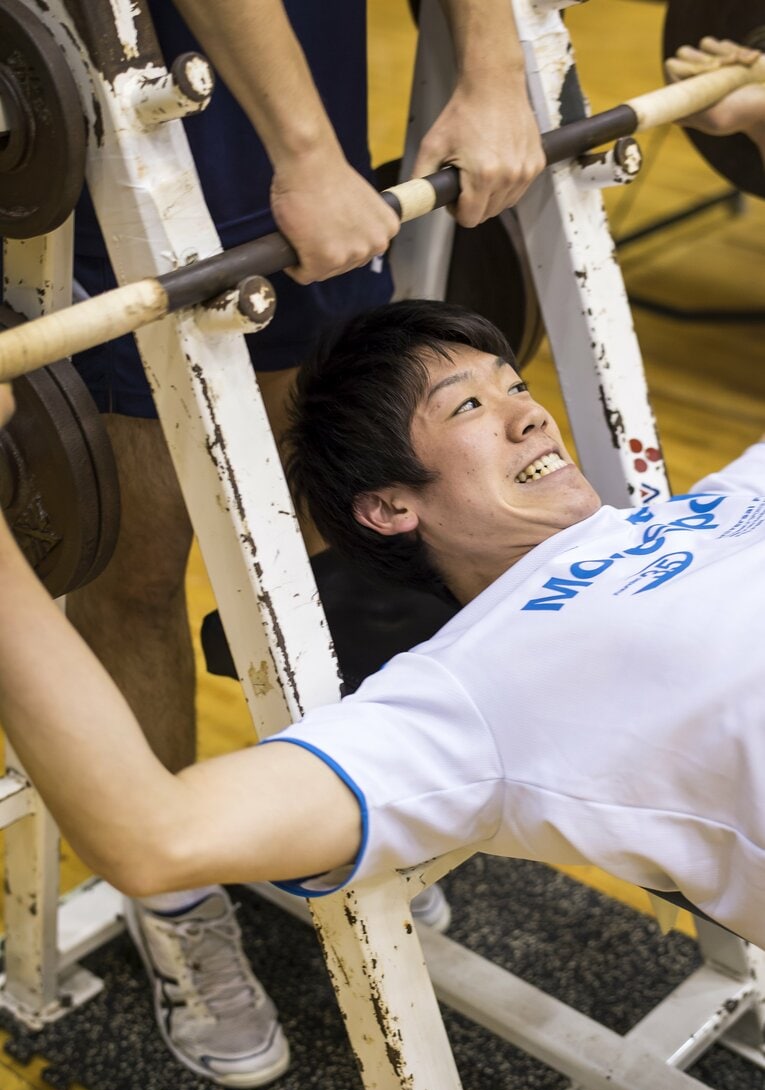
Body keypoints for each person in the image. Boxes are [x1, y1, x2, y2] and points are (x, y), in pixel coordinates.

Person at [63, 0, 545, 1087]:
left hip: (307, 89)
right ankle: (174, 899)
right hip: (136, 96)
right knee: (137, 557)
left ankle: (341, 807)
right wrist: (307, 149)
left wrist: (491, 74)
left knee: (337, 503)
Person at [2, 291, 765, 971]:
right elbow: (154, 836)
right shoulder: (474, 688)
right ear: (390, 506)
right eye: (466, 407)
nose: (531, 414)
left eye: (515, 386)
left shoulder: (715, 501)